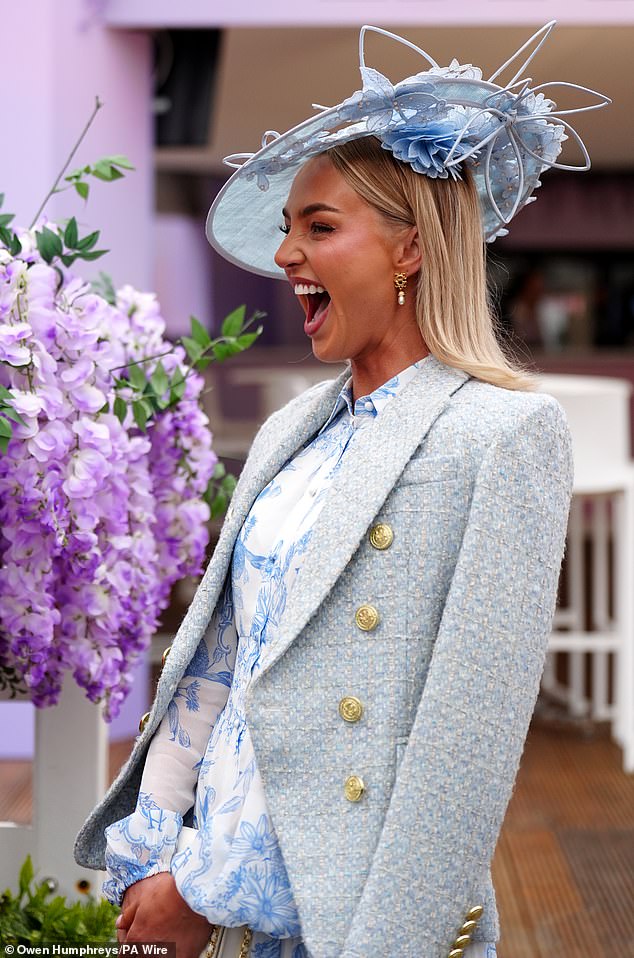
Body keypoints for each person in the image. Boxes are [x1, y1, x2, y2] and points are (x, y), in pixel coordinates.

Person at [74, 23, 608, 958]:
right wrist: (158, 851)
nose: (285, 255)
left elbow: (460, 757)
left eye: (319, 228)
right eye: (287, 228)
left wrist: (215, 893)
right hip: (204, 883)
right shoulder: (291, 429)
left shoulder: (506, 434)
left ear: (409, 250)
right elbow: (220, 664)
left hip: (352, 911)